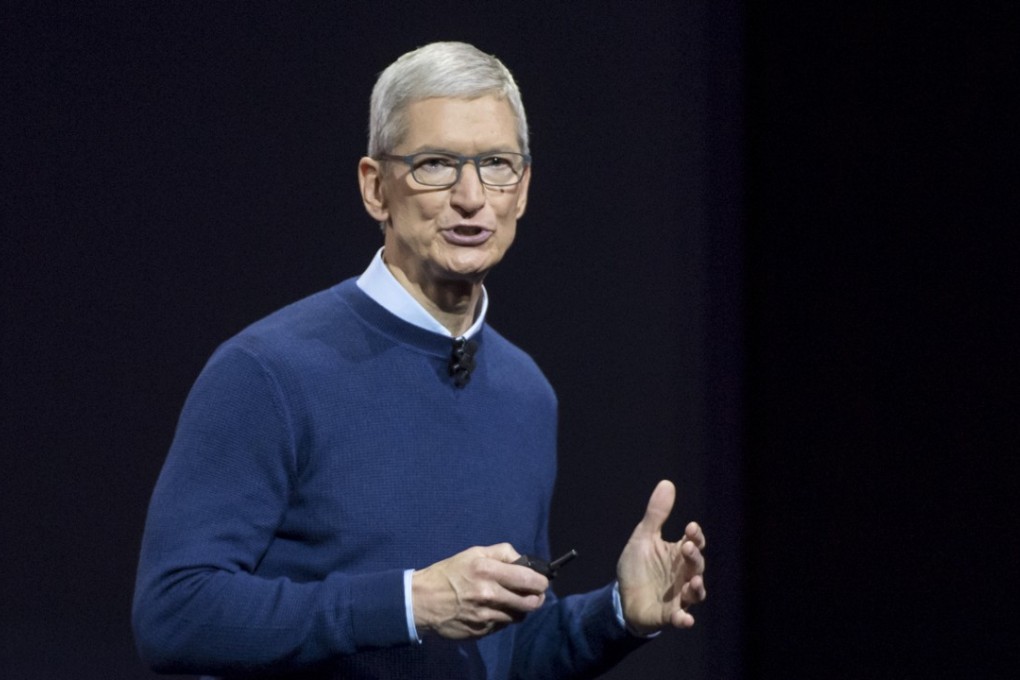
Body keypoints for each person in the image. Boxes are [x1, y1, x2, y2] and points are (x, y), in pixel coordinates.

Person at [133, 41, 706, 679]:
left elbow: (505, 656)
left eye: (496, 164)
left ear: (523, 191)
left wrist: (619, 615)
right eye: (435, 164)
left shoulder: (526, 393)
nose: (470, 196)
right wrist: (408, 603)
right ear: (376, 189)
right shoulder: (268, 371)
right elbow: (174, 613)